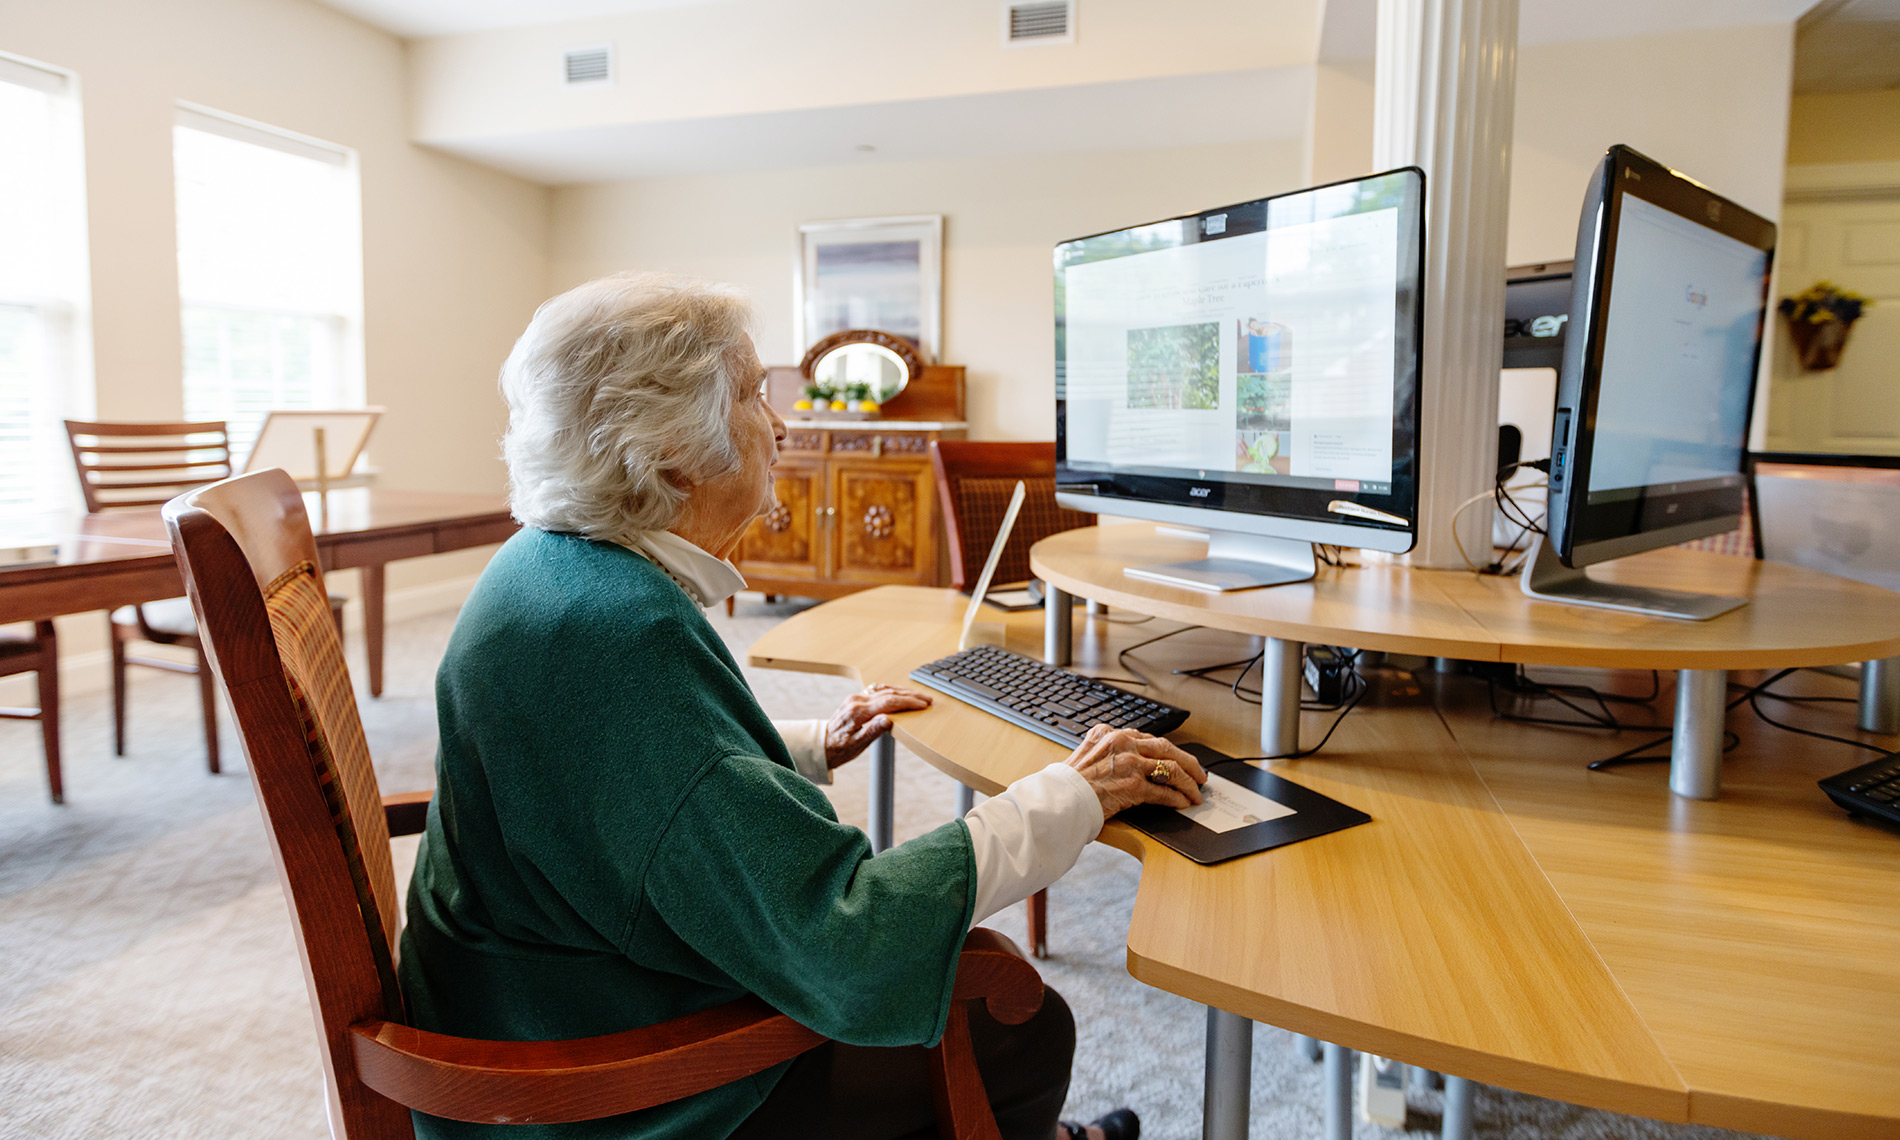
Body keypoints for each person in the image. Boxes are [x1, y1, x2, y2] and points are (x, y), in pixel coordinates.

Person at [398, 273, 1208, 1140]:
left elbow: (628, 781)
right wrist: (1074, 793)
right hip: (584, 1087)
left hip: (527, 1008)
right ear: (672, 447)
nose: (780, 423)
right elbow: (847, 942)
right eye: (753, 395)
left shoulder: (551, 571)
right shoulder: (621, 634)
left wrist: (807, 743)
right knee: (1021, 1019)